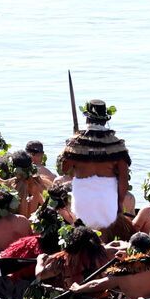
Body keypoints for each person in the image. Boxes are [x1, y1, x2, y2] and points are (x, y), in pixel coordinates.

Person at [56, 100, 131, 235]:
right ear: (105, 120)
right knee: (106, 232)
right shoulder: (116, 145)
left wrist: (71, 147)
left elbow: (64, 168)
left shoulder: (76, 143)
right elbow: (124, 180)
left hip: (83, 196)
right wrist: (119, 203)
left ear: (87, 118)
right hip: (107, 196)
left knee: (81, 230)